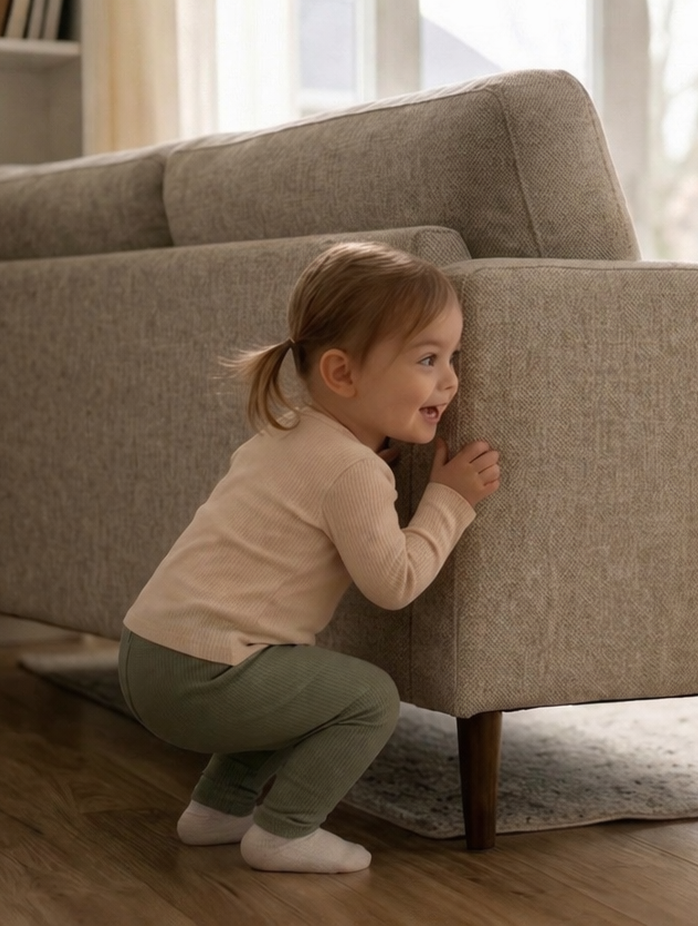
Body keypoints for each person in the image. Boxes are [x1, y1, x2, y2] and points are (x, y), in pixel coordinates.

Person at [117, 242, 501, 874]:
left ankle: (218, 809)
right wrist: (449, 500)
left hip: (148, 653)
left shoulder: (289, 432)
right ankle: (286, 832)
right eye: (428, 359)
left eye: (453, 357)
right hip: (202, 675)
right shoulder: (350, 470)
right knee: (369, 697)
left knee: (290, 676)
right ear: (342, 375)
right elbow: (395, 583)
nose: (451, 379)